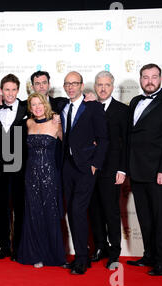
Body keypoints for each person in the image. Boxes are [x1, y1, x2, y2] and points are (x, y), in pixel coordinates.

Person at [126, 64, 162, 276]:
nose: (149, 81)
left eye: (154, 77)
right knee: (145, 216)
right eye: (145, 77)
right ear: (140, 79)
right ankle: (150, 255)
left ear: (160, 79)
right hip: (138, 171)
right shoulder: (134, 102)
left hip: (160, 173)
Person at [61, 71, 108, 275]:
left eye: (74, 83)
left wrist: (95, 164)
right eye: (67, 84)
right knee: (72, 211)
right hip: (67, 167)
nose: (71, 87)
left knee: (78, 210)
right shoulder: (62, 106)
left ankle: (81, 258)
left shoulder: (93, 106)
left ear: (82, 86)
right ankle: (82, 255)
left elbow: (104, 139)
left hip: (85, 167)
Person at [17, 93, 66, 268]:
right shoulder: (28, 123)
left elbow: (68, 145)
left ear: (45, 104)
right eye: (33, 104)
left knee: (50, 214)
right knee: (33, 213)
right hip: (30, 175)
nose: (37, 107)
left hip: (50, 175)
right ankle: (35, 254)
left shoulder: (56, 123)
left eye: (40, 103)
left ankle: (53, 254)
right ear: (30, 107)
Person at [89, 71, 129, 269]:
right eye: (99, 84)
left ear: (112, 87)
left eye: (106, 85)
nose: (102, 88)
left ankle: (114, 253)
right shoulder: (89, 108)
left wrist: (122, 169)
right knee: (94, 210)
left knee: (111, 212)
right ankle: (99, 247)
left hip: (112, 169)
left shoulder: (122, 110)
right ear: (95, 87)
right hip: (91, 169)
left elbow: (126, 143)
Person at [0, 74, 27, 261]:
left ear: (18, 91)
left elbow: (53, 102)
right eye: (7, 89)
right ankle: (4, 247)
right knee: (2, 208)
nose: (10, 93)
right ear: (1, 91)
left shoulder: (27, 107)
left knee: (19, 207)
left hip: (21, 165)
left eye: (13, 89)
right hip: (0, 164)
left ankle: (19, 247)